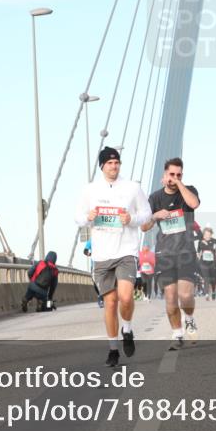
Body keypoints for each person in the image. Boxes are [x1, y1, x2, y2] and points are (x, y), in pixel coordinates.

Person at [74, 146, 151, 367]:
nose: (114, 166)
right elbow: (78, 217)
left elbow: (146, 213)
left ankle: (127, 328)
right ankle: (113, 350)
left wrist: (132, 219)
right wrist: (88, 217)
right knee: (110, 303)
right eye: (109, 163)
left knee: (125, 298)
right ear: (102, 166)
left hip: (126, 251)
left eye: (116, 162)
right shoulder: (90, 190)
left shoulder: (132, 188)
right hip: (102, 254)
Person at [143, 158, 201, 349]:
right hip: (165, 254)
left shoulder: (188, 191)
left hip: (186, 252)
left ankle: (189, 318)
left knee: (185, 296)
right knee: (170, 298)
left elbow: (194, 204)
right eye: (171, 175)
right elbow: (144, 227)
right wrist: (155, 216)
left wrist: (179, 184)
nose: (174, 178)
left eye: (178, 175)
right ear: (164, 175)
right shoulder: (155, 198)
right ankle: (177, 334)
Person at [197, 227, 216, 301]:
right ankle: (206, 294)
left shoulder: (215, 241)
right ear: (203, 235)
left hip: (212, 263)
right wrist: (198, 259)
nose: (207, 236)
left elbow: (213, 248)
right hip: (203, 263)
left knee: (212, 279)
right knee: (206, 278)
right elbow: (198, 251)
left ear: (211, 235)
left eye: (209, 234)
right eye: (206, 234)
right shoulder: (200, 241)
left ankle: (213, 291)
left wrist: (206, 244)